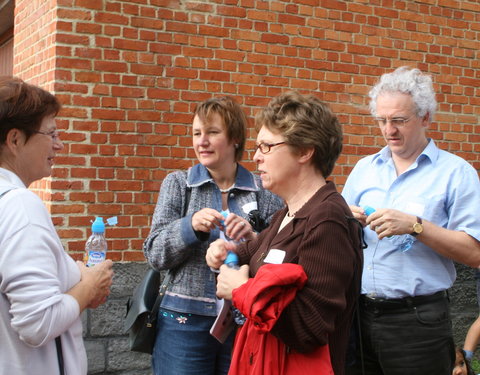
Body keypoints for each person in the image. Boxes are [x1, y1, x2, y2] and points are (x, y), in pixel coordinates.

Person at [206, 91, 363, 375]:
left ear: (304, 151)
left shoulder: (327, 220)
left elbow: (309, 328)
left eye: (266, 146)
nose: (255, 157)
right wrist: (226, 252)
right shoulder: (287, 213)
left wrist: (241, 291)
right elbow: (255, 253)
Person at [342, 66, 480, 375]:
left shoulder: (456, 173)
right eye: (382, 120)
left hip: (417, 323)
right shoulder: (364, 168)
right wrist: (345, 219)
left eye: (399, 120)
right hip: (359, 316)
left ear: (426, 117)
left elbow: (475, 253)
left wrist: (416, 226)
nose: (388, 130)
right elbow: (339, 231)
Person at [143, 96, 283, 375]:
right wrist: (189, 227)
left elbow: (280, 256)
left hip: (244, 321)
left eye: (212, 132)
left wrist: (254, 239)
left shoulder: (264, 190)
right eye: (197, 133)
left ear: (234, 139)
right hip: (183, 323)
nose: (202, 141)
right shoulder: (179, 184)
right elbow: (155, 254)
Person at [0, 76, 114, 374]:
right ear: (15, 140)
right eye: (50, 134)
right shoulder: (19, 206)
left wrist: (71, 274)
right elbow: (37, 323)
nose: (59, 145)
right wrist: (88, 287)